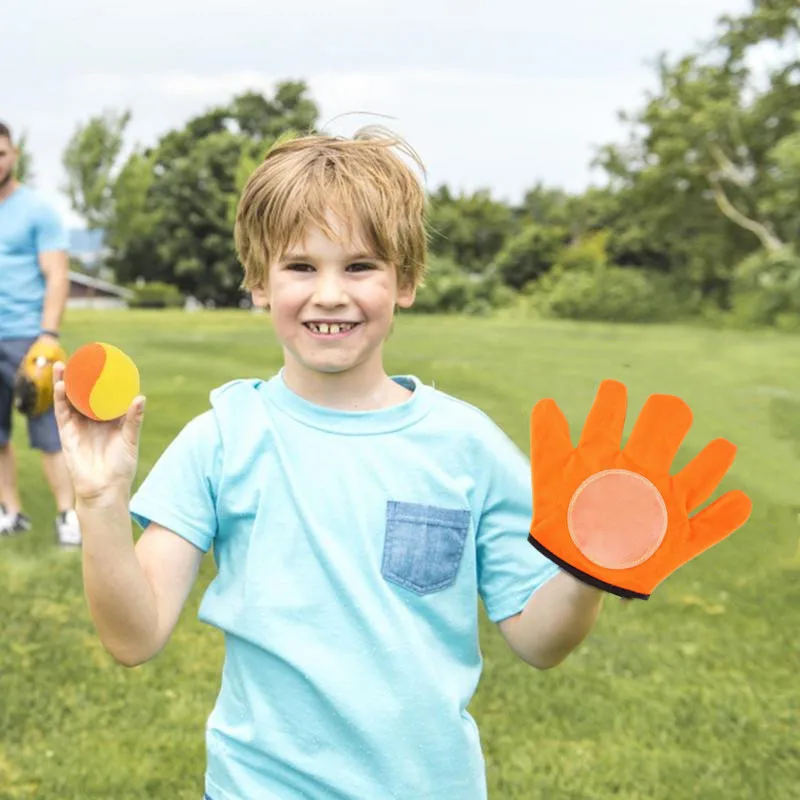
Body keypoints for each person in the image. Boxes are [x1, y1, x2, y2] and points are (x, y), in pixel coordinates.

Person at [53, 130, 605, 799]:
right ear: (259, 282)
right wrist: (102, 501)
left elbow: (541, 640)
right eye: (301, 267)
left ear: (405, 280)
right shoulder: (223, 439)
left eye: (360, 266)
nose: (331, 294)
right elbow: (133, 636)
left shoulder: (467, 445)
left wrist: (585, 571)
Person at [0, 121, 82, 547]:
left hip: (28, 340)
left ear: (14, 155)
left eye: (1, 153)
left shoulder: (37, 211)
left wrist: (48, 334)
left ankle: (69, 517)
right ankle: (10, 513)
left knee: (49, 435)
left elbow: (57, 275)